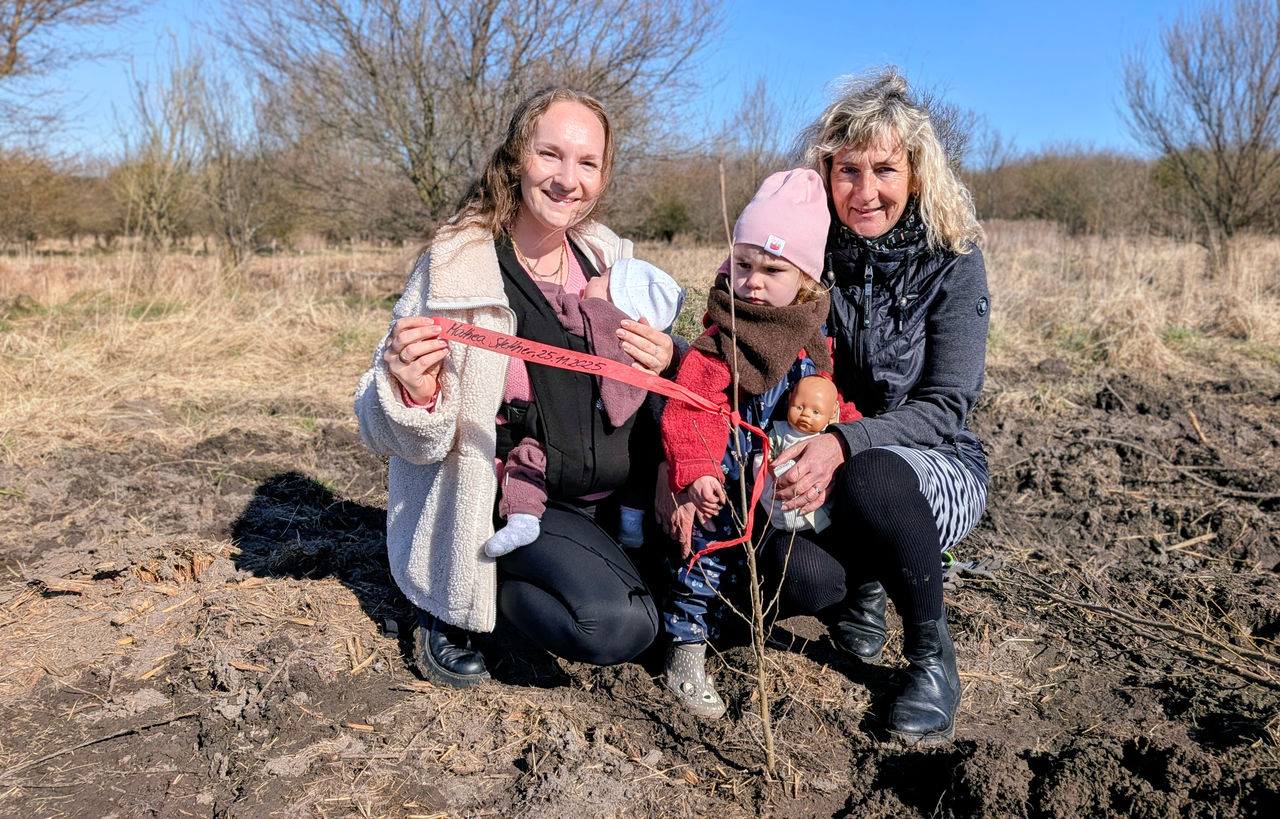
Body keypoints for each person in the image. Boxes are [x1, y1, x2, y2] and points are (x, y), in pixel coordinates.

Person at [354, 87, 677, 689]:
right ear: (515, 160)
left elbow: (647, 394)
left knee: (698, 596)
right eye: (550, 155)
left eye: (587, 163)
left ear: (604, 175)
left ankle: (556, 572)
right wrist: (409, 389)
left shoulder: (612, 261)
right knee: (616, 626)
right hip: (509, 501)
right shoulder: (457, 266)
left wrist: (664, 360)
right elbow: (376, 424)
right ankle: (468, 603)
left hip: (608, 503)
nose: (567, 179)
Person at [760, 68, 990, 745]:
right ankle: (860, 592)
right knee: (787, 571)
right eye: (848, 170)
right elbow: (748, 318)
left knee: (873, 474)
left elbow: (947, 405)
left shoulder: (955, 260)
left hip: (933, 468)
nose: (865, 191)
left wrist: (839, 442)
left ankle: (930, 658)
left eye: (884, 169)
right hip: (830, 456)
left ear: (915, 172)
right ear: (826, 174)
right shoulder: (816, 250)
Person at [659, 168, 854, 718]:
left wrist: (845, 435)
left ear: (807, 283)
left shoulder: (811, 347)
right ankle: (685, 650)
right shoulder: (719, 341)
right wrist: (697, 471)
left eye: (773, 270)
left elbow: (828, 399)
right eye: (743, 265)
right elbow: (687, 410)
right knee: (705, 553)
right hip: (721, 482)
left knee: (766, 566)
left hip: (774, 488)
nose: (753, 282)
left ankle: (729, 627)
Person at [485, 259, 684, 557]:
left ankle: (522, 517)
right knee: (637, 465)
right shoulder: (638, 349)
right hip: (609, 460)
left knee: (528, 460)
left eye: (602, 276)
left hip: (556, 435)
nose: (593, 276)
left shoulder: (591, 313)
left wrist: (539, 289)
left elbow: (551, 308)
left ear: (614, 297)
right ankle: (631, 524)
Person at [756, 374, 845, 534]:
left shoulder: (826, 437)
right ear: (790, 400)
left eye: (816, 411)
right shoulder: (779, 431)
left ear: (833, 413)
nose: (806, 415)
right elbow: (767, 454)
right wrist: (770, 464)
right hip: (780, 496)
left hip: (815, 507)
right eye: (799, 407)